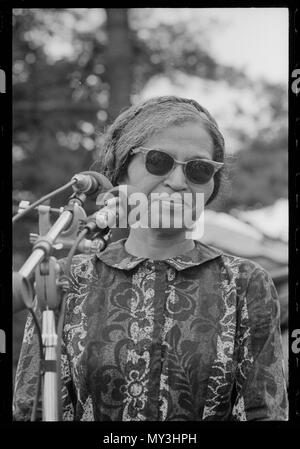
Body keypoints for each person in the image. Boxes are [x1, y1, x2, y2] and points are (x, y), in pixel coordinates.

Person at [13, 96, 288, 421]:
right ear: (122, 171)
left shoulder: (246, 283)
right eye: (159, 161)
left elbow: (263, 412)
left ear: (210, 186)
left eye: (198, 169)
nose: (177, 182)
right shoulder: (67, 277)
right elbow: (32, 409)